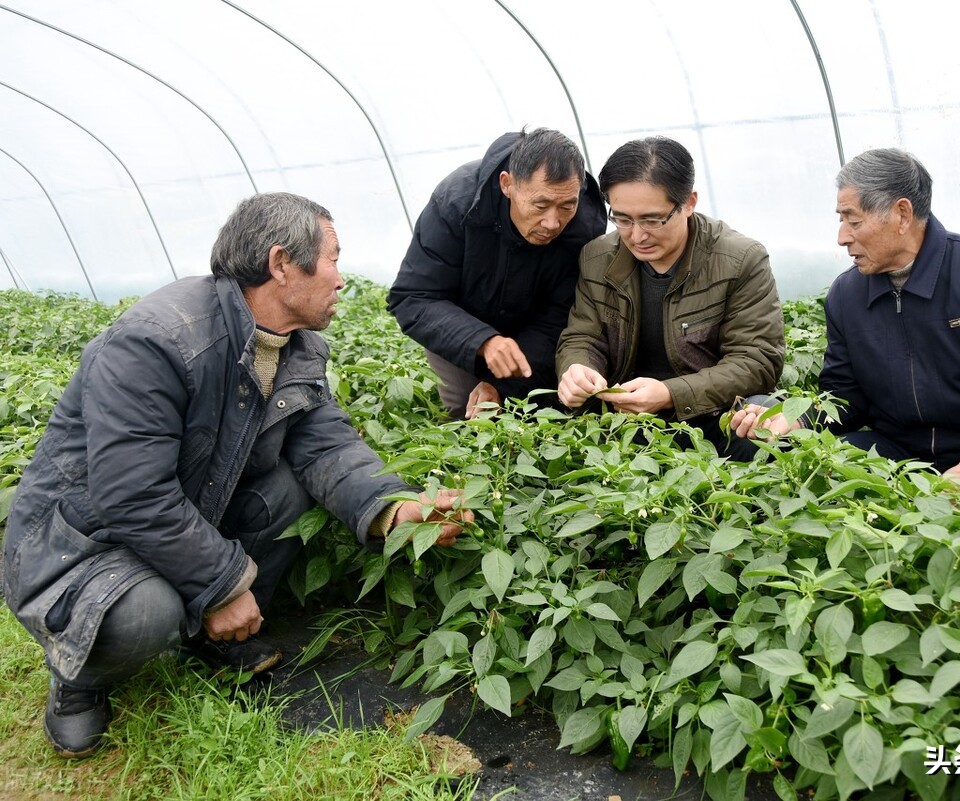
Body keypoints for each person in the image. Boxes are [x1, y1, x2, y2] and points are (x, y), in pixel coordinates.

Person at [2, 193, 473, 759]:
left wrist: (395, 509)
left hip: (179, 512)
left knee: (291, 488)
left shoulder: (296, 348)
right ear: (281, 264)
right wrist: (222, 585)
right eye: (332, 259)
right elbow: (130, 495)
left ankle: (204, 639)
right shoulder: (157, 340)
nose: (342, 279)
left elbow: (324, 443)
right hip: (79, 542)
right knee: (146, 613)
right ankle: (78, 679)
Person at [733, 148, 960, 513]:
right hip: (898, 449)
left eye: (853, 221)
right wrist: (795, 417)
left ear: (902, 214)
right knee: (767, 423)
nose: (841, 237)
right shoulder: (847, 295)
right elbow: (845, 399)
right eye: (841, 220)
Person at [556, 136, 785, 461]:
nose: (636, 235)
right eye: (621, 218)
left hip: (712, 415)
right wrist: (578, 368)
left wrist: (669, 393)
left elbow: (756, 361)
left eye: (652, 220)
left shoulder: (739, 259)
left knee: (764, 424)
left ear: (688, 203)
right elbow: (583, 336)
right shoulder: (598, 258)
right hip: (627, 418)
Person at [388, 128, 607, 420]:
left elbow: (561, 315)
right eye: (540, 205)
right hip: (461, 324)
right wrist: (482, 341)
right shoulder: (457, 202)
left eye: (567, 205)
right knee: (466, 412)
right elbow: (413, 297)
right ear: (508, 184)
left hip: (534, 330)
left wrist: (503, 386)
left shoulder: (584, 226)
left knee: (537, 411)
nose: (553, 222)